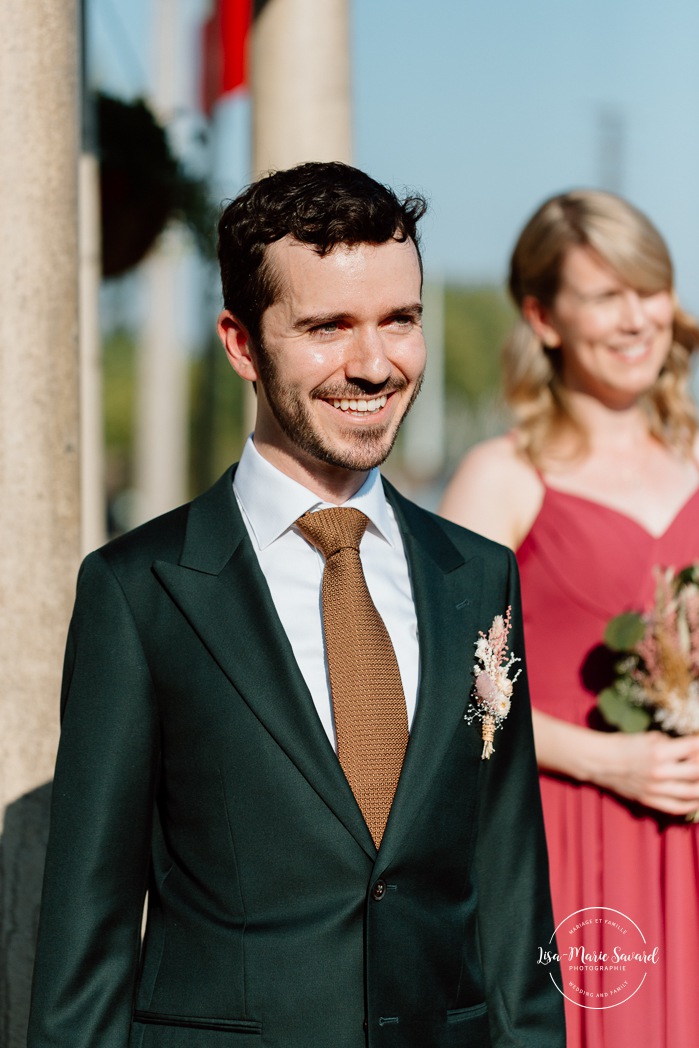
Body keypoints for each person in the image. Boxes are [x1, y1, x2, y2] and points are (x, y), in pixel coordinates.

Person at [28, 162, 564, 1048]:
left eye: (400, 320)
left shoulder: (477, 575)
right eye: (327, 326)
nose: (373, 362)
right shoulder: (139, 590)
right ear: (241, 343)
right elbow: (87, 940)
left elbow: (511, 889)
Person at [440, 188, 699, 1048]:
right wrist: (611, 762)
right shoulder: (502, 476)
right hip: (574, 837)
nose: (636, 319)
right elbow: (454, 692)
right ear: (542, 316)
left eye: (649, 289)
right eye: (603, 296)